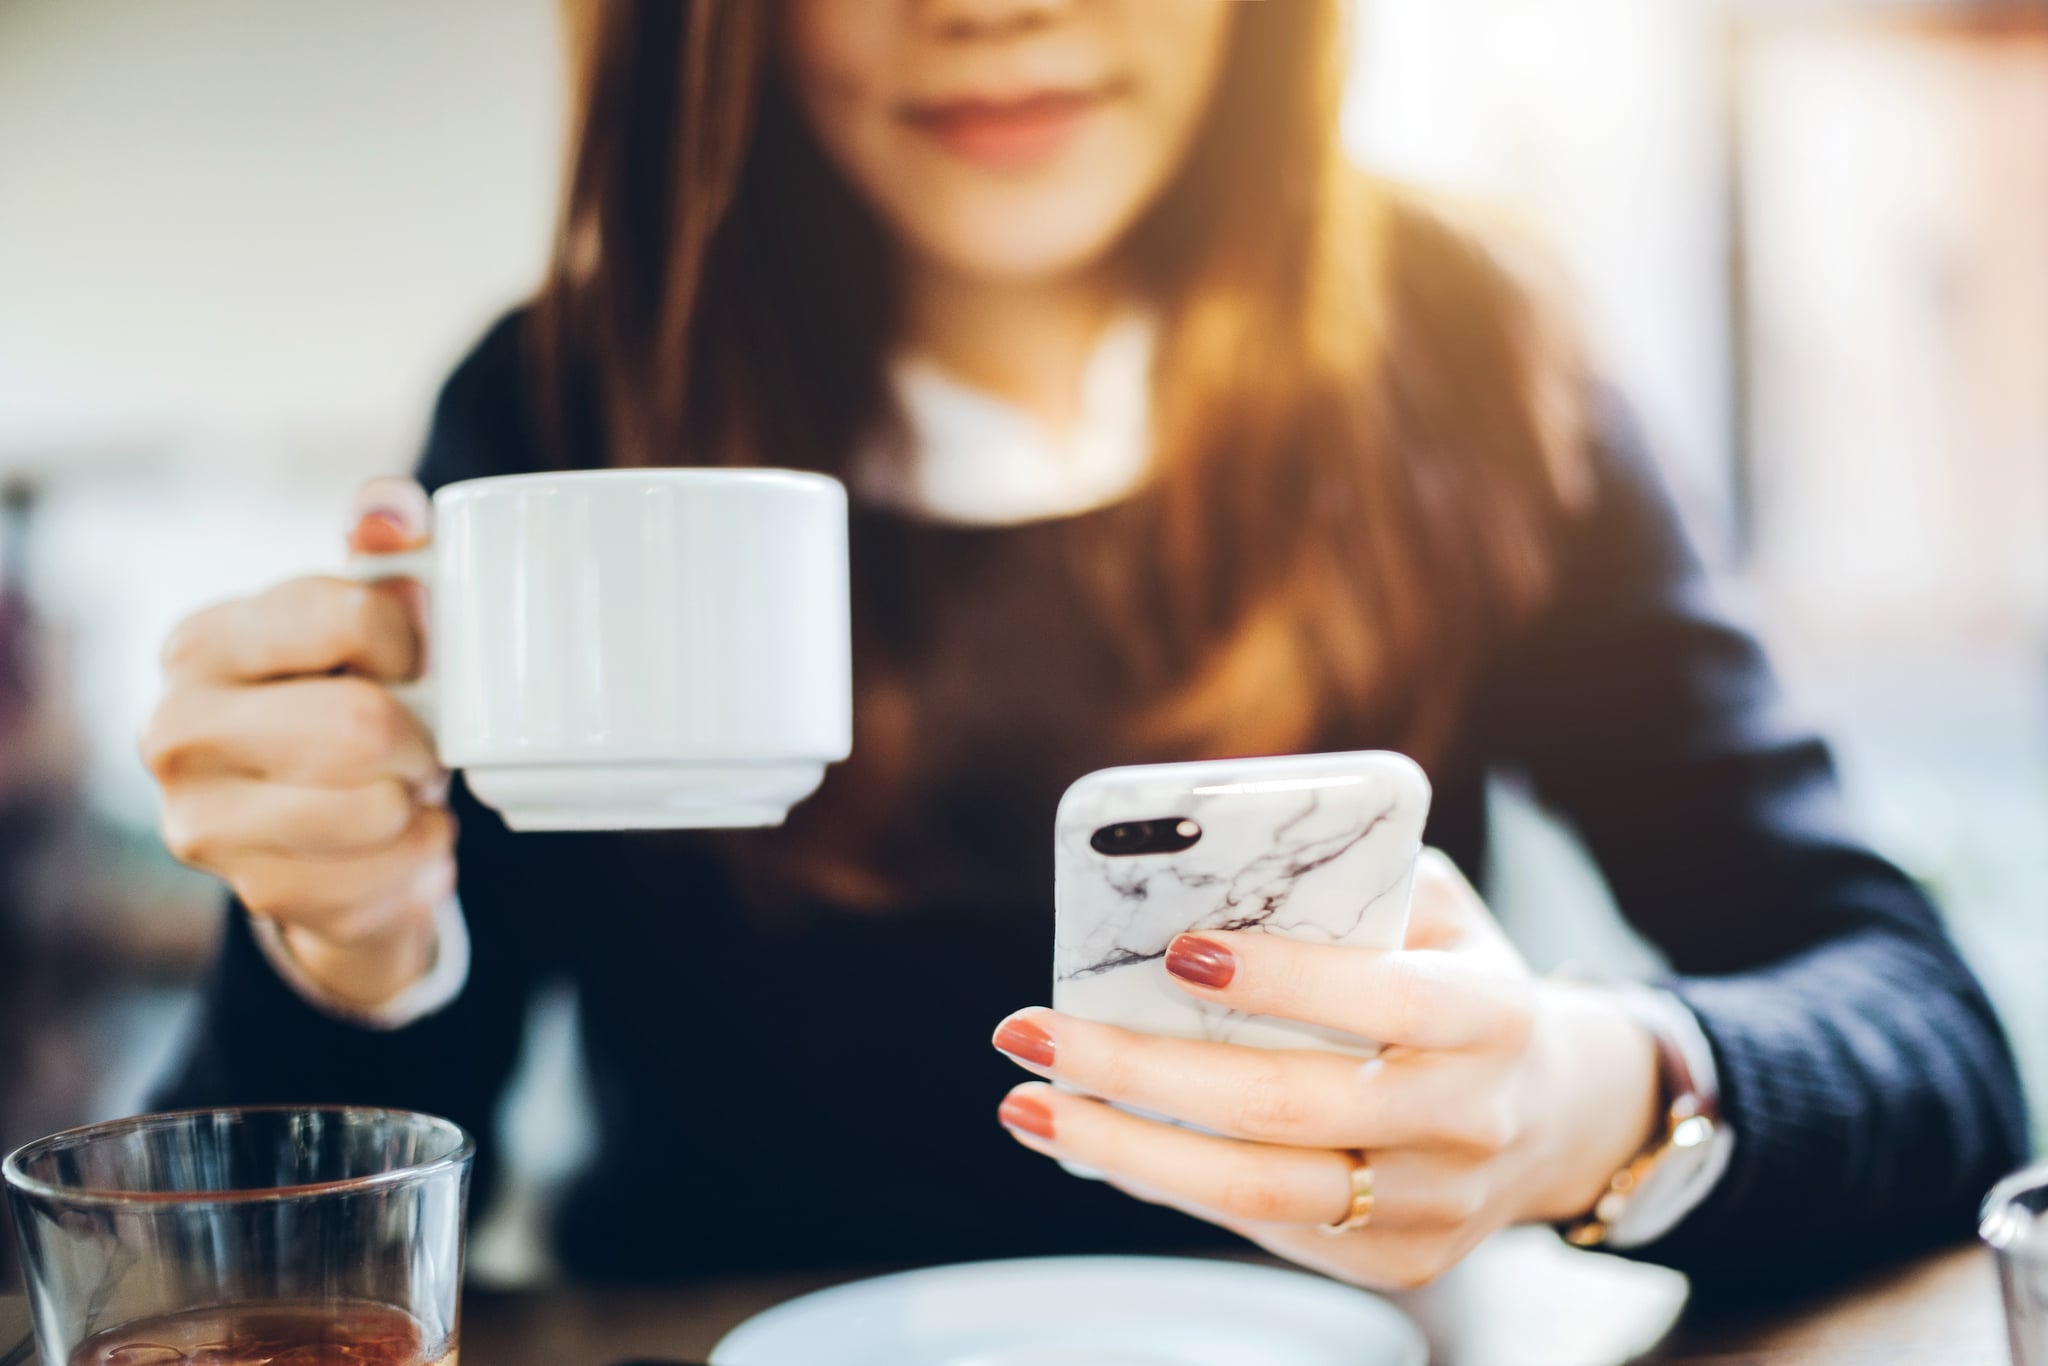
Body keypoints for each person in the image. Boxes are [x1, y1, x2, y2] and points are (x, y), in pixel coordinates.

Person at [144, 0, 2025, 1289]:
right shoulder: (564, 403)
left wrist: (1581, 1103)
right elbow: (249, 1253)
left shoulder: (1467, 354)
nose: (993, 5)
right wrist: (345, 948)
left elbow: (1937, 1055)